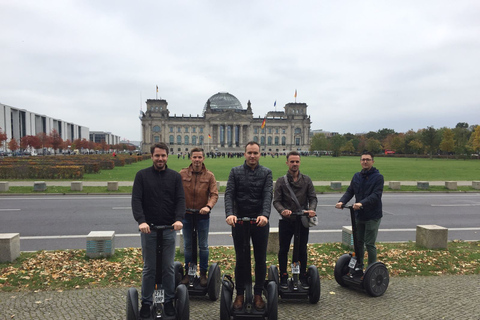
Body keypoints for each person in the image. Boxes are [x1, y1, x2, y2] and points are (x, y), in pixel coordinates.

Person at [132, 142, 186, 318]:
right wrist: (141, 221)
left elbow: (180, 200)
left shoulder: (175, 177)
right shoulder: (142, 176)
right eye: (157, 156)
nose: (160, 159)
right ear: (152, 156)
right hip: (149, 230)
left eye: (163, 156)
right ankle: (146, 302)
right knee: (149, 268)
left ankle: (168, 300)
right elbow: (136, 201)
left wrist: (178, 219)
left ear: (167, 157)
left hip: (169, 229)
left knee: (168, 268)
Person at [225, 141, 273, 311]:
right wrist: (230, 213)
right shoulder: (235, 171)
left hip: (259, 221)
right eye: (249, 153)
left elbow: (268, 195)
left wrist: (265, 215)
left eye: (255, 153)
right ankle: (240, 293)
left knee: (260, 259)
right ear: (244, 154)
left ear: (260, 154)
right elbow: (229, 194)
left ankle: (258, 293)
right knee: (241, 259)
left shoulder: (266, 173)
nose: (252, 156)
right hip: (239, 222)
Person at [273, 151, 317, 290]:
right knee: (283, 249)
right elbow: (277, 201)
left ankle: (302, 275)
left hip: (302, 220)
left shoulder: (307, 180)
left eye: (297, 162)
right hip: (287, 220)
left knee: (302, 249)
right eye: (292, 162)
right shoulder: (281, 181)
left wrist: (311, 209)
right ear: (287, 163)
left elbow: (313, 198)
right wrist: (282, 211)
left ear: (300, 163)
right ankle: (284, 275)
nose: (294, 164)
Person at [335, 151, 384, 275]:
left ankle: (371, 270)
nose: (365, 162)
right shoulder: (357, 176)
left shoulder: (378, 177)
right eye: (363, 159)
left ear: (373, 161)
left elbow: (376, 195)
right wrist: (342, 201)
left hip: (372, 215)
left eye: (368, 159)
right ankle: (359, 266)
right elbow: (350, 191)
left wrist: (362, 203)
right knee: (358, 242)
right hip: (359, 215)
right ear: (360, 161)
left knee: (369, 244)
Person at [179, 147, 219, 287]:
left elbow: (214, 194)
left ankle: (203, 273)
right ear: (190, 158)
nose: (197, 160)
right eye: (194, 157)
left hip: (202, 215)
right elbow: (176, 193)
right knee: (188, 245)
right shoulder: (182, 174)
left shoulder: (209, 176)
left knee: (203, 246)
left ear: (203, 158)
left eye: (199, 157)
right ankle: (189, 271)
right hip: (187, 215)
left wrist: (208, 207)